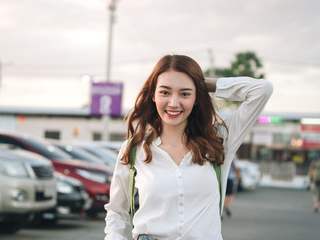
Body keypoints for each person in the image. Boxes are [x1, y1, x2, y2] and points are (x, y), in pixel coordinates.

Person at [104, 54, 273, 240]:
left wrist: (204, 84)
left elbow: (262, 90)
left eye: (185, 93)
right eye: (165, 92)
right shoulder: (134, 149)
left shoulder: (219, 139)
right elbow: (116, 212)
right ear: (153, 94)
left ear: (197, 97)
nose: (174, 103)